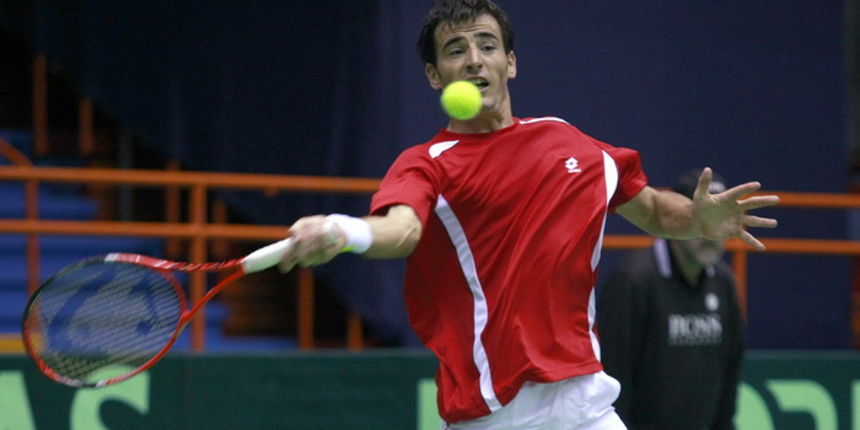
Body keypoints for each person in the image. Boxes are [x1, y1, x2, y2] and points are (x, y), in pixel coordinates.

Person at [279, 1, 779, 428]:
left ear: (510, 62)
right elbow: (402, 229)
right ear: (435, 76)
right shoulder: (427, 164)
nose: (475, 61)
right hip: (497, 412)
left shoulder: (569, 143)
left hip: (585, 400)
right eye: (456, 51)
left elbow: (650, 209)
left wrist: (698, 219)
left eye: (487, 46)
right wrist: (345, 232)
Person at [597, 169, 744, 430]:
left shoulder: (724, 281)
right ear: (680, 219)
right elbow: (614, 372)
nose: (711, 235)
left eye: (717, 220)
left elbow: (730, 370)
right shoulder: (634, 281)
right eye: (702, 220)